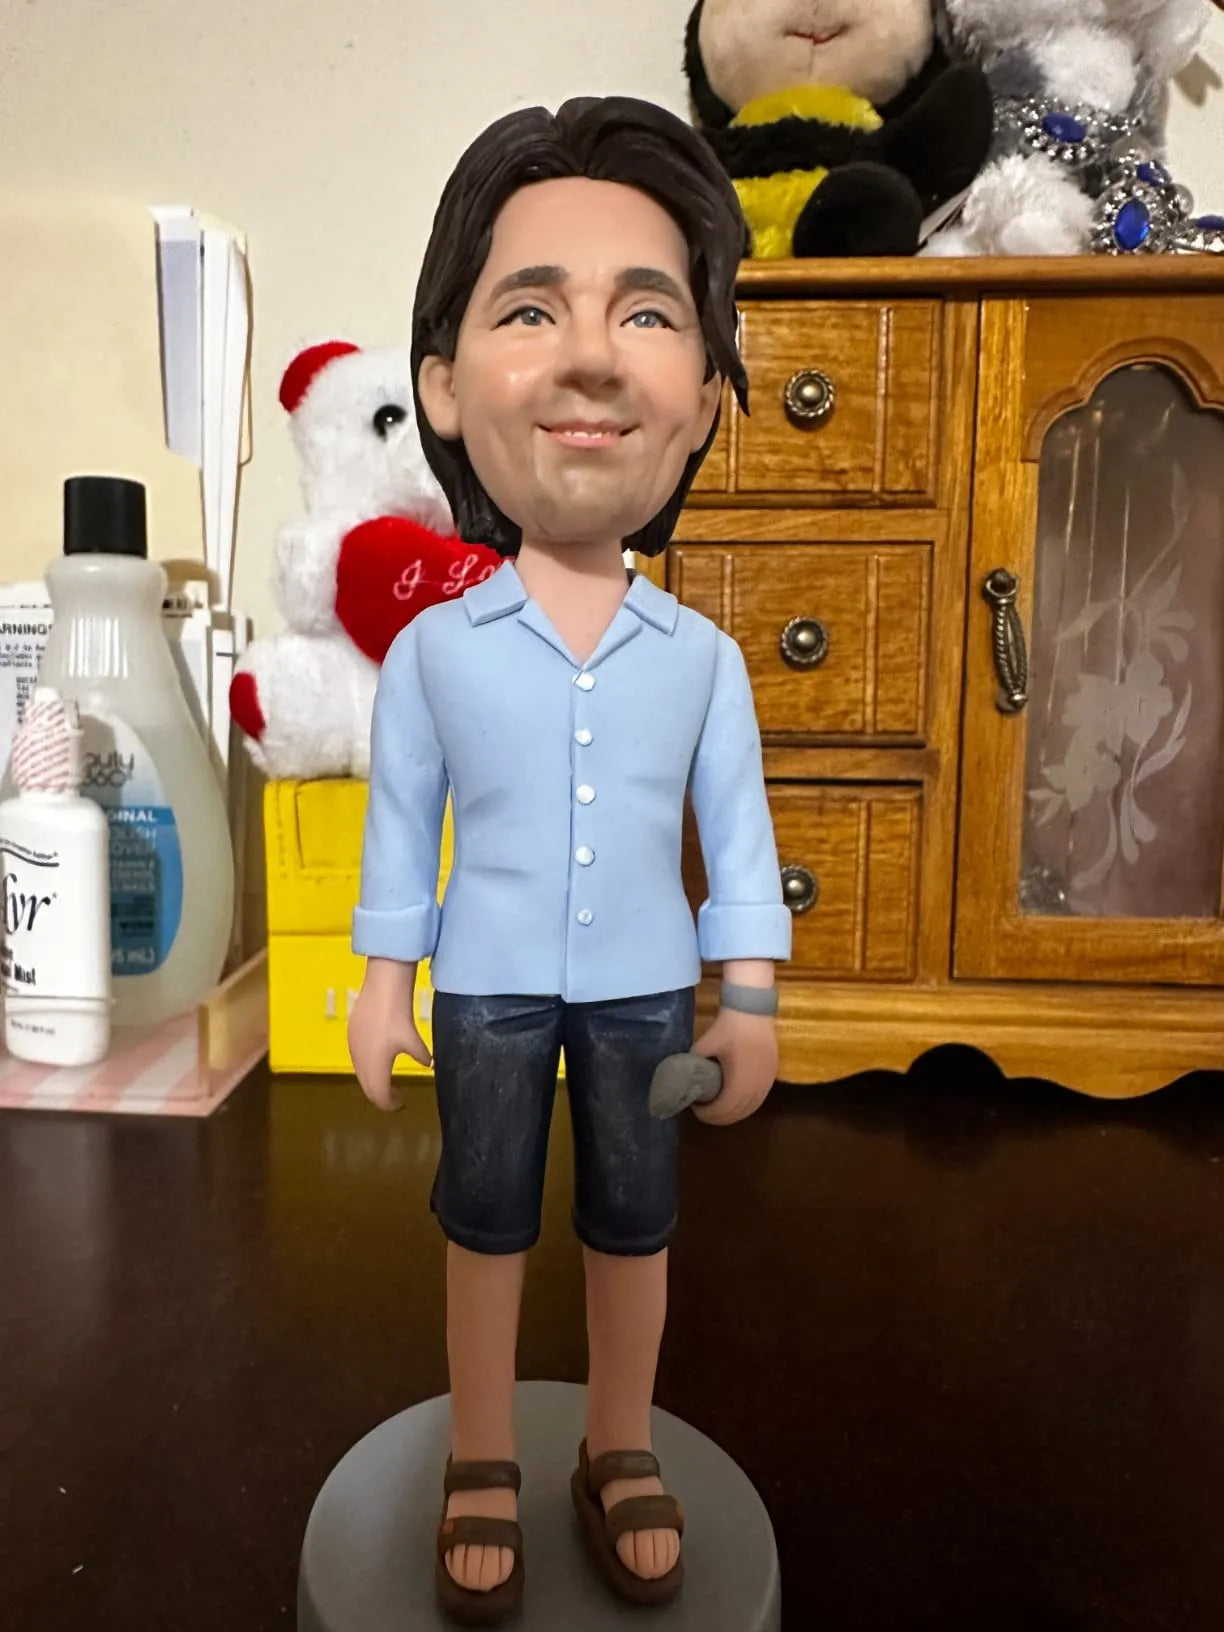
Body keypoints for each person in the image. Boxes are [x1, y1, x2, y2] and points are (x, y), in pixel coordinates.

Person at [348, 94, 791, 1624]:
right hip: (479, 992)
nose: (592, 356)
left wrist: (752, 998)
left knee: (634, 1219)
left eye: (648, 312)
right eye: (531, 308)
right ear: (443, 383)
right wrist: (381, 981)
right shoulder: (432, 654)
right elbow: (399, 822)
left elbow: (739, 833)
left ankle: (619, 1441)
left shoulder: (704, 662)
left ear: (707, 397)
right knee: (482, 1217)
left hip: (646, 997)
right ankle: (481, 1452)